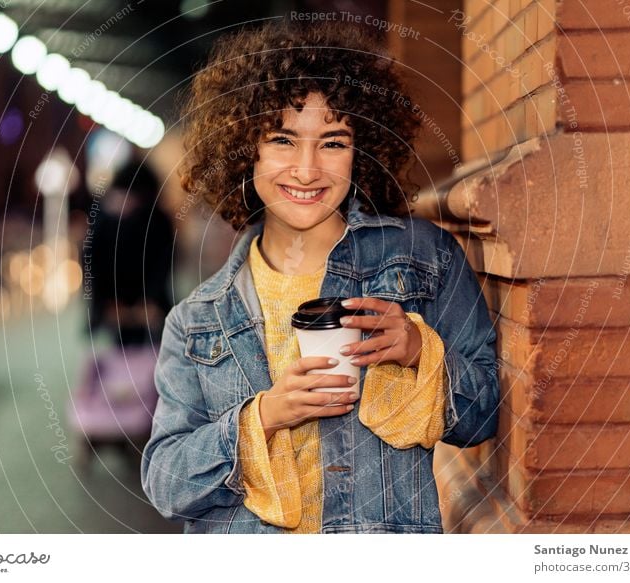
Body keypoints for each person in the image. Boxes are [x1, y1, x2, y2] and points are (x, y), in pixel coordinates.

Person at [141, 19, 499, 534]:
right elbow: (165, 484)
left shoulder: (425, 259)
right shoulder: (198, 320)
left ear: (362, 149)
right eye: (283, 140)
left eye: (332, 143)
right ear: (248, 151)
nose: (307, 170)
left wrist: (420, 349)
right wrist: (263, 416)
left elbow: (485, 417)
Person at [87, 161, 174, 346]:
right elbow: (94, 262)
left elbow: (163, 262)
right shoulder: (104, 221)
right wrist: (105, 304)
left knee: (152, 357)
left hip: (150, 306)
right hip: (117, 305)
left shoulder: (157, 220)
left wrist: (150, 301)